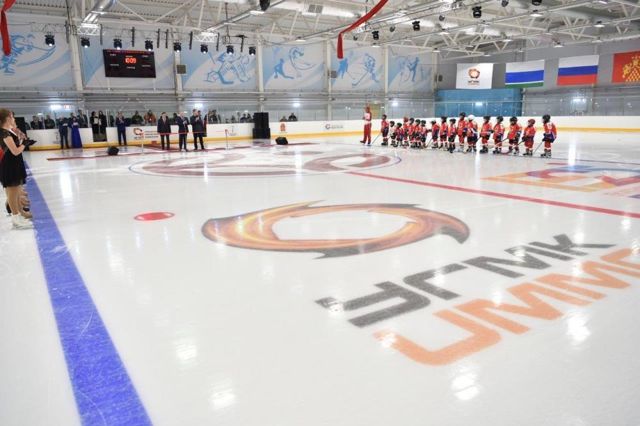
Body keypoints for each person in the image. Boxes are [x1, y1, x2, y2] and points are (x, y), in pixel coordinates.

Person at [0, 109, 34, 229]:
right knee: (12, 193)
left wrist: (23, 142)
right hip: (9, 165)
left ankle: (18, 215)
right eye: (12, 117)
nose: (14, 119)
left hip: (13, 163)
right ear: (7, 118)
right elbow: (15, 151)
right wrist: (25, 144)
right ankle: (15, 218)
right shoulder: (4, 133)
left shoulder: (7, 131)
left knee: (14, 191)